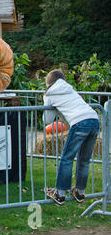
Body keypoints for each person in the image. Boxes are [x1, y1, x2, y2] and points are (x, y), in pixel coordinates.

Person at [43, 69, 100, 205]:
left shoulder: (49, 93)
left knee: (67, 158)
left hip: (79, 122)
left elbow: (47, 119)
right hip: (94, 120)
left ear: (49, 82)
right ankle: (80, 191)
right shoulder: (70, 89)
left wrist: (49, 104)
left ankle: (60, 193)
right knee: (84, 159)